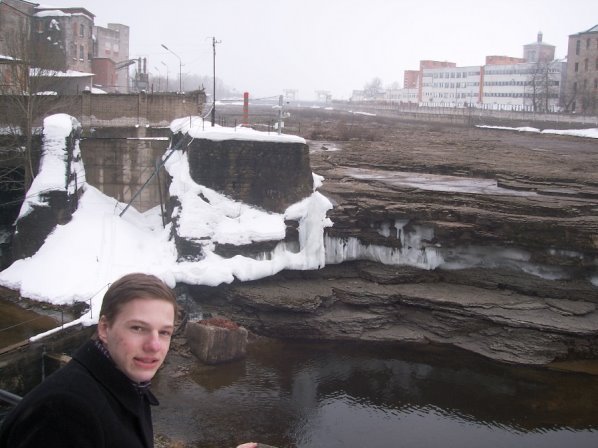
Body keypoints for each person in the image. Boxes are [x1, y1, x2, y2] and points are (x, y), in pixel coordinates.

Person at [0, 273, 177, 448]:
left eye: (164, 332)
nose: (154, 346)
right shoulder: (64, 413)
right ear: (104, 329)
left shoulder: (130, 386)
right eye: (138, 328)